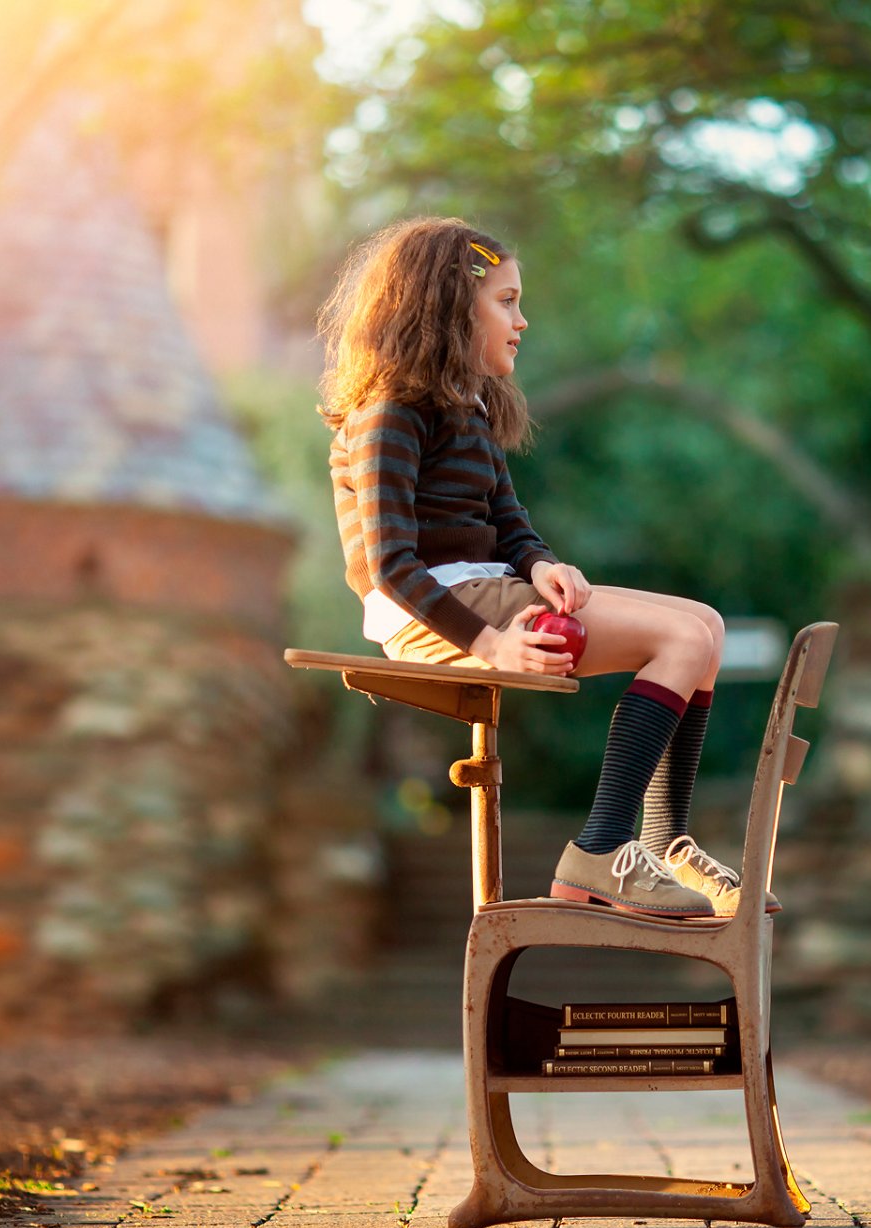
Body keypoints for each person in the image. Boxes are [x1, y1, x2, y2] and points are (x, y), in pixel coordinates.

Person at [319, 216, 775, 920]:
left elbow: (508, 524)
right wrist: (493, 644)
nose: (522, 320)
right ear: (446, 303)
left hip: (488, 589)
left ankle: (666, 841)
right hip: (435, 610)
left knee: (704, 626)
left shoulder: (468, 408)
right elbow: (390, 566)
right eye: (506, 301)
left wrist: (540, 566)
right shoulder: (391, 411)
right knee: (680, 642)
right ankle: (600, 850)